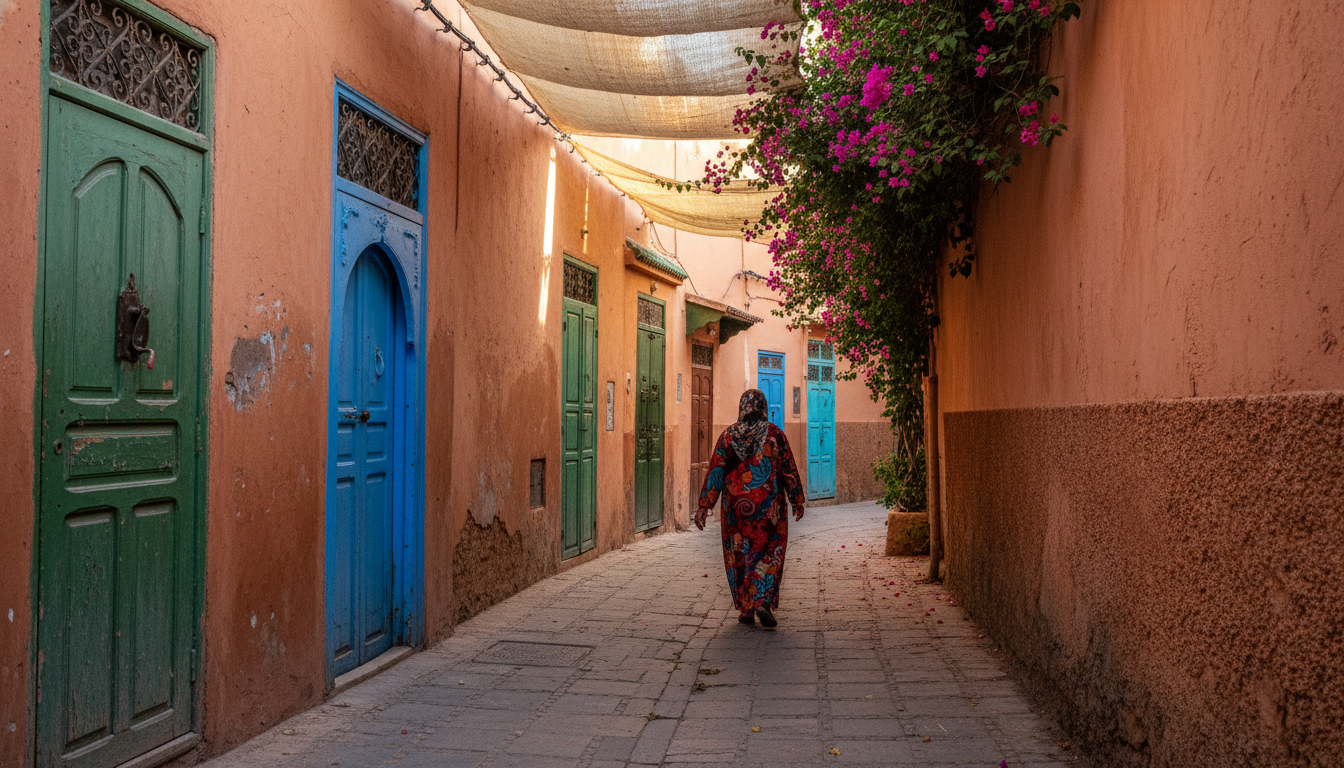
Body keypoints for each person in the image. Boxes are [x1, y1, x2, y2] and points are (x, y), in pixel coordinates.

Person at [694, 389, 805, 628]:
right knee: (769, 551)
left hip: (735, 510)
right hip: (770, 509)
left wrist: (705, 505)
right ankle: (762, 599)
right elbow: (788, 469)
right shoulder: (775, 435)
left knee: (739, 555)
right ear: (763, 408)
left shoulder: (728, 436)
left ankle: (746, 609)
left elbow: (716, 470)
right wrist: (796, 499)